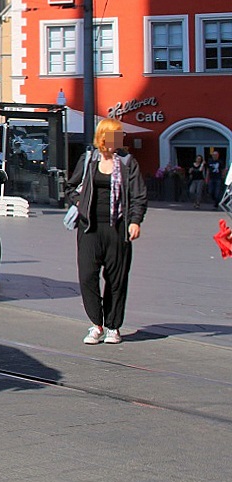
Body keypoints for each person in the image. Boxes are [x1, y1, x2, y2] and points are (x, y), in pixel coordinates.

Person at [64, 117, 148, 346]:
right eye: (114, 135)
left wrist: (135, 221)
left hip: (117, 228)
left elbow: (139, 195)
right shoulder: (89, 159)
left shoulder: (128, 162)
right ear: (103, 137)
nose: (118, 139)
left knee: (116, 279)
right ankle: (96, 323)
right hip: (89, 227)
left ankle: (113, 326)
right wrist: (79, 201)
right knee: (87, 276)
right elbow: (70, 186)